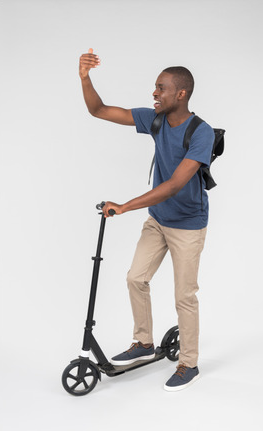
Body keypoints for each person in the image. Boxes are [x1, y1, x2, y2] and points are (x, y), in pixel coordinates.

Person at [79, 48, 215, 392]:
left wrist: (124, 206)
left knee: (184, 296)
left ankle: (189, 363)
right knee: (135, 279)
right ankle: (144, 343)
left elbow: (173, 185)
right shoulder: (155, 119)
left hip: (188, 224)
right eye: (155, 88)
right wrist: (85, 77)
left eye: (161, 88)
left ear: (180, 94)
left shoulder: (201, 132)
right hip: (158, 220)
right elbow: (98, 110)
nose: (154, 93)